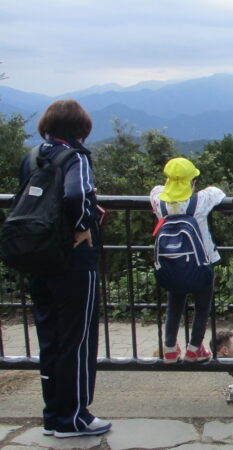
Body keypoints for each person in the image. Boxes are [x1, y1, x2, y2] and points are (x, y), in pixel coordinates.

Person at [19, 99, 111, 437]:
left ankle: (53, 416)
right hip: (73, 259)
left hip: (38, 255)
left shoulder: (31, 157)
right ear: (81, 130)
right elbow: (76, 194)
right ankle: (75, 417)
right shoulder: (77, 158)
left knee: (51, 339)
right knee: (77, 338)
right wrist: (83, 224)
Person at [150, 158, 225, 363]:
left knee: (174, 306)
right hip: (201, 265)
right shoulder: (199, 201)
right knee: (202, 307)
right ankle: (194, 350)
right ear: (192, 182)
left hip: (172, 265)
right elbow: (218, 192)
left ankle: (170, 349)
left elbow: (156, 190)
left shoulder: (159, 202)